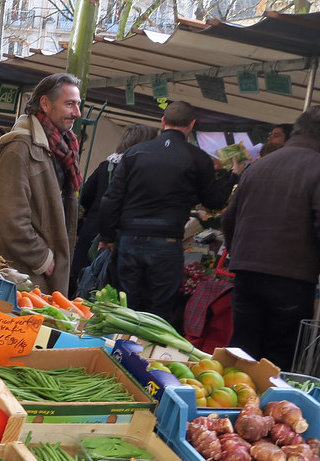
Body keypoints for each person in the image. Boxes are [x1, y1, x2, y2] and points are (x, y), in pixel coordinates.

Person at [223, 105, 320, 370]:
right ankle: (266, 409)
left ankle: (230, 408)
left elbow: (228, 218)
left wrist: (237, 252)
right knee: (276, 358)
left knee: (242, 352)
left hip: (247, 271)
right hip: (291, 278)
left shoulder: (258, 166)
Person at [98, 100, 242, 321]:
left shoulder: (135, 153)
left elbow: (111, 198)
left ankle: (117, 351)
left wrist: (107, 236)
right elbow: (213, 201)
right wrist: (234, 174)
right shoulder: (198, 158)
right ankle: (147, 353)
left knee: (126, 308)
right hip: (167, 242)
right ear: (191, 124)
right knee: (157, 312)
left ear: (163, 121)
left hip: (130, 238)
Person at [0, 73, 84, 295]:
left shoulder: (62, 147)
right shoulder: (19, 148)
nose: (77, 113)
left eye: (78, 105)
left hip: (47, 272)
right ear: (45, 103)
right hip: (26, 275)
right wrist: (43, 259)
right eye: (69, 104)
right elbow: (8, 216)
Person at [69, 124, 158, 295]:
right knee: (108, 292)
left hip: (91, 236)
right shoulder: (144, 173)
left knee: (82, 285)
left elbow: (84, 197)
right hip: (122, 242)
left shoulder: (106, 167)